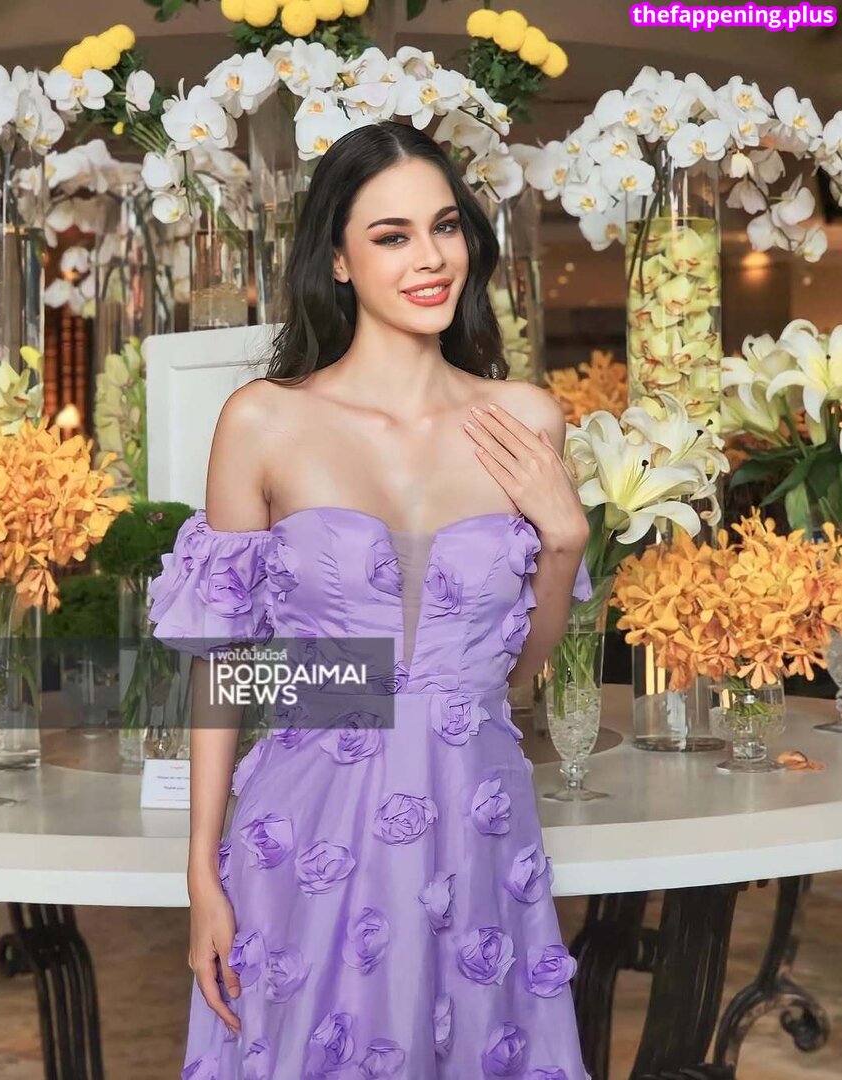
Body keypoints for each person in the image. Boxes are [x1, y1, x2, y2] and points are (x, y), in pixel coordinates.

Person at [149, 118, 592, 1080]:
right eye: (392, 235)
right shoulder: (266, 419)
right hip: (306, 830)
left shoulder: (523, 419)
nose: (430, 258)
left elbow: (513, 679)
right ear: (339, 261)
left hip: (475, 817)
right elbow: (228, 669)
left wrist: (563, 543)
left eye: (445, 226)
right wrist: (201, 872)